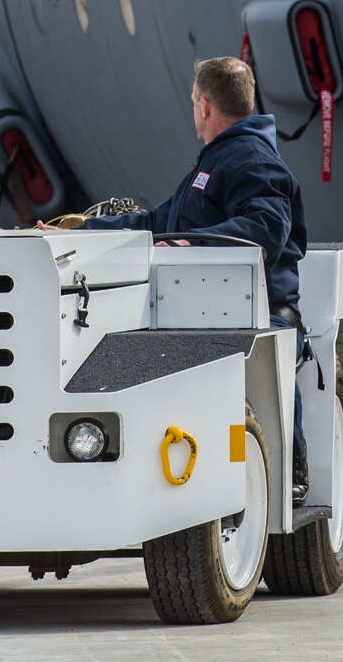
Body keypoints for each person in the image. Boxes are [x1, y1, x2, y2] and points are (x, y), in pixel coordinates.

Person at [88, 56, 311, 501]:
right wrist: (81, 230)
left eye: (194, 102)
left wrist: (195, 244)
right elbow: (158, 223)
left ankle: (292, 467)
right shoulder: (213, 165)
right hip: (198, 314)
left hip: (257, 315)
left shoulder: (251, 158)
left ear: (205, 106)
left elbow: (267, 227)